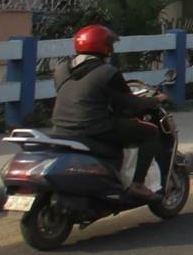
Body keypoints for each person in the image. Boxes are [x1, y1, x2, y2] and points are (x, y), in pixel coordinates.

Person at [50, 24, 167, 201]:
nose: (111, 49)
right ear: (102, 46)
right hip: (94, 128)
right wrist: (155, 100)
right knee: (150, 132)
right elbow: (132, 104)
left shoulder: (61, 70)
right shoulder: (107, 72)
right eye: (109, 44)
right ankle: (137, 184)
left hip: (61, 128)